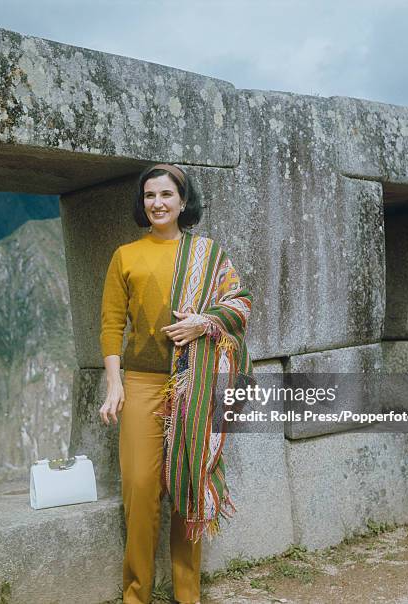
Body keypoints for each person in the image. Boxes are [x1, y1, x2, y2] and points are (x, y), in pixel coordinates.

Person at [99, 163, 254, 604]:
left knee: (188, 486)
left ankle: (188, 597)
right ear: (142, 202)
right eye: (149, 196)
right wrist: (115, 385)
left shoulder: (208, 254)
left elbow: (239, 302)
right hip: (143, 383)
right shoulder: (125, 256)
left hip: (195, 383)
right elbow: (111, 326)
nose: (157, 203)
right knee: (140, 492)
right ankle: (136, 595)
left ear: (183, 202)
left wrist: (204, 322)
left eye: (166, 195)